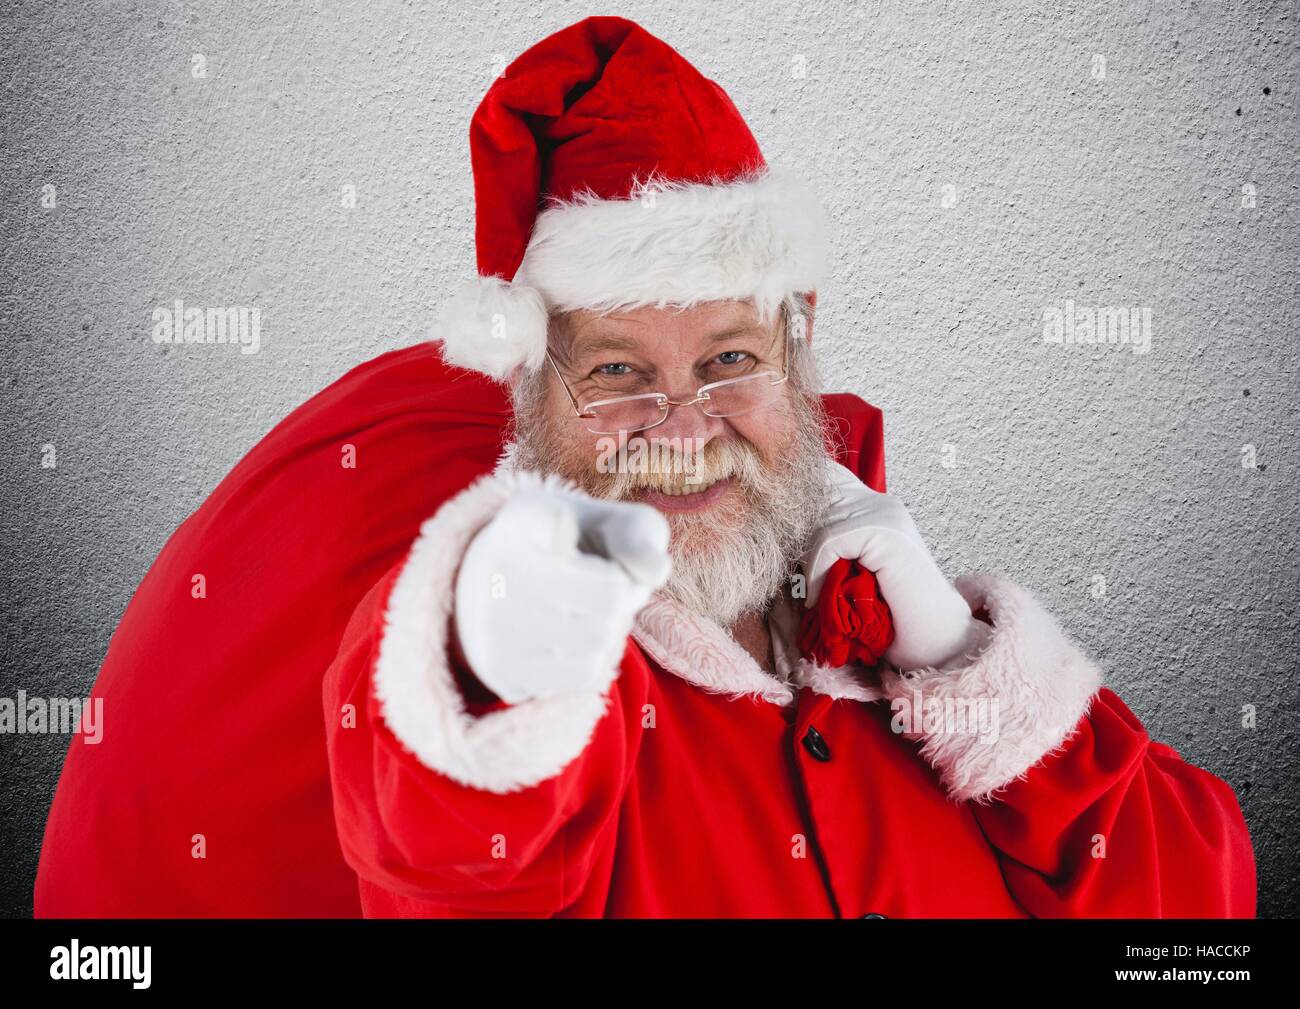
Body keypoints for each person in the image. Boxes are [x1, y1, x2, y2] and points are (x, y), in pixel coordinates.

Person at [36, 16, 1255, 918]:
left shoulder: (880, 615)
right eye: (618, 371)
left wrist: (961, 664)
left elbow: (1195, 913)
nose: (684, 423)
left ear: (797, 352)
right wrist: (503, 666)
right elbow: (455, 862)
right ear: (529, 396)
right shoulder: (549, 669)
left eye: (728, 353)